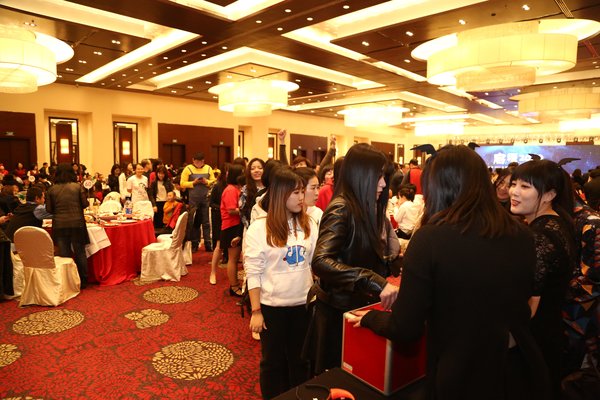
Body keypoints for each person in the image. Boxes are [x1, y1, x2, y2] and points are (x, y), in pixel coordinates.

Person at [348, 145, 551, 400]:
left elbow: (406, 328)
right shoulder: (522, 234)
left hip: (462, 375)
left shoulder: (431, 239)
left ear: (438, 187)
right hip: (517, 367)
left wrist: (371, 319)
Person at [306, 143, 401, 374]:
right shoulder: (342, 208)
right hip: (336, 312)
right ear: (361, 175)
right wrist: (373, 280)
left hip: (355, 306)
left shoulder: (364, 207)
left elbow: (355, 255)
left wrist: (390, 263)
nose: (383, 184)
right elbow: (321, 261)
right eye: (378, 176)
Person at [244, 168, 319, 399]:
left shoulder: (309, 223)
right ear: (280, 194)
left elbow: (314, 263)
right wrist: (256, 311)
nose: (301, 197)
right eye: (295, 192)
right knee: (272, 363)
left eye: (302, 191)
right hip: (272, 307)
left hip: (303, 304)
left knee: (301, 361)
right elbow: (253, 272)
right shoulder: (259, 228)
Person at [509, 159, 577, 395]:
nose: (514, 191)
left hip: (534, 339)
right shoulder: (558, 221)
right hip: (550, 331)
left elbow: (530, 304)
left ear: (549, 194)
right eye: (514, 183)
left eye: (525, 186)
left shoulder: (540, 236)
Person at [45, 163, 89, 288]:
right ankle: (83, 281)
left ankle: (68, 281)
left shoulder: (51, 189)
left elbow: (49, 209)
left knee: (64, 254)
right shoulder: (77, 187)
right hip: (77, 223)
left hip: (59, 224)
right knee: (80, 252)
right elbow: (85, 204)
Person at [180, 153, 216, 252]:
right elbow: (182, 183)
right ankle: (194, 243)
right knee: (194, 222)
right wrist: (193, 182)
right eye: (197, 161)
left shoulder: (208, 168)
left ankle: (208, 243)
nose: (199, 163)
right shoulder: (188, 168)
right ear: (193, 160)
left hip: (205, 198)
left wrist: (207, 182)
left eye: (201, 161)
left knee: (206, 221)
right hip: (193, 199)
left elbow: (214, 181)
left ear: (204, 161)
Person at [220, 164, 245, 296]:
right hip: (231, 226)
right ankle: (234, 286)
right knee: (233, 258)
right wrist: (246, 210)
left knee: (235, 258)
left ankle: (235, 285)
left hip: (235, 225)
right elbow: (231, 210)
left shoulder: (236, 188)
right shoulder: (230, 190)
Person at [209, 163, 229, 285]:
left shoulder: (234, 186)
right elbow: (211, 203)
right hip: (219, 217)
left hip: (231, 218)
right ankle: (213, 272)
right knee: (219, 245)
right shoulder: (217, 186)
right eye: (226, 171)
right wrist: (223, 208)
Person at [239, 158, 265, 228]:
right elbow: (242, 211)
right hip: (251, 227)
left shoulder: (270, 188)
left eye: (260, 168)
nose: (256, 170)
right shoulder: (245, 189)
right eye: (253, 169)